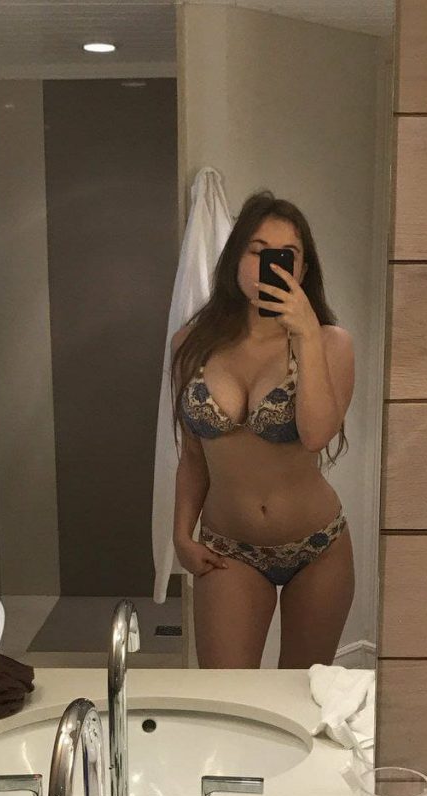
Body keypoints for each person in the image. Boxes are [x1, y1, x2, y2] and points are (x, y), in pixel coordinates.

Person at [171, 191, 355, 669]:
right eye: (257, 251)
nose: (268, 264)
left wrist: (307, 334)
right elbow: (193, 455)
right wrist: (181, 536)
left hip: (317, 547)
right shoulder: (190, 344)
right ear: (236, 258)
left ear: (302, 270)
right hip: (227, 549)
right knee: (226, 697)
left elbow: (316, 435)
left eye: (286, 255)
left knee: (301, 696)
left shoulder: (331, 343)